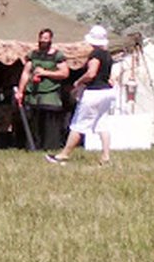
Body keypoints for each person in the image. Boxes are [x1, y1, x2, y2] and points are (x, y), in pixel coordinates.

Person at [46, 25, 114, 165]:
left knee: (78, 124)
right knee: (102, 124)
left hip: (94, 92)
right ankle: (106, 156)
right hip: (107, 92)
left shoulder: (95, 55)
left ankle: (63, 155)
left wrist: (78, 82)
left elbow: (91, 73)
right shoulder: (108, 55)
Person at [15, 28, 70, 150]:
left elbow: (64, 73)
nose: (43, 41)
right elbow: (25, 73)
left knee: (50, 123)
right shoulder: (33, 55)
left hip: (50, 94)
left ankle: (50, 147)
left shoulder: (57, 55)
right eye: (41, 38)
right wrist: (20, 91)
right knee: (34, 122)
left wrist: (45, 73)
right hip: (34, 94)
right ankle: (34, 146)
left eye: (46, 38)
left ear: (50, 39)